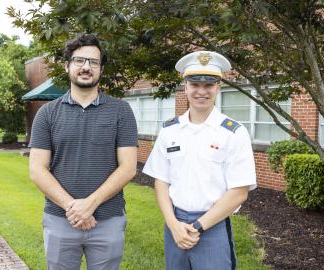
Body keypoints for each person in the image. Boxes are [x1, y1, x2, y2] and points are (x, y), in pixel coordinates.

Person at [29, 33, 138, 270]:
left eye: (93, 62)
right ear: (67, 65)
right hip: (60, 220)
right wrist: (73, 207)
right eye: (79, 61)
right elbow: (37, 170)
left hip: (108, 220)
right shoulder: (47, 114)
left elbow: (128, 168)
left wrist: (91, 204)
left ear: (101, 69)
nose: (86, 67)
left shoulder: (121, 111)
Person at [143, 51, 256, 270]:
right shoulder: (169, 130)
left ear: (218, 87)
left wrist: (197, 227)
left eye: (209, 85)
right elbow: (161, 181)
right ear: (185, 87)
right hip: (174, 224)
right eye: (195, 84)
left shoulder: (233, 133)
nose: (201, 91)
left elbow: (239, 191)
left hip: (212, 226)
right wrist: (173, 224)